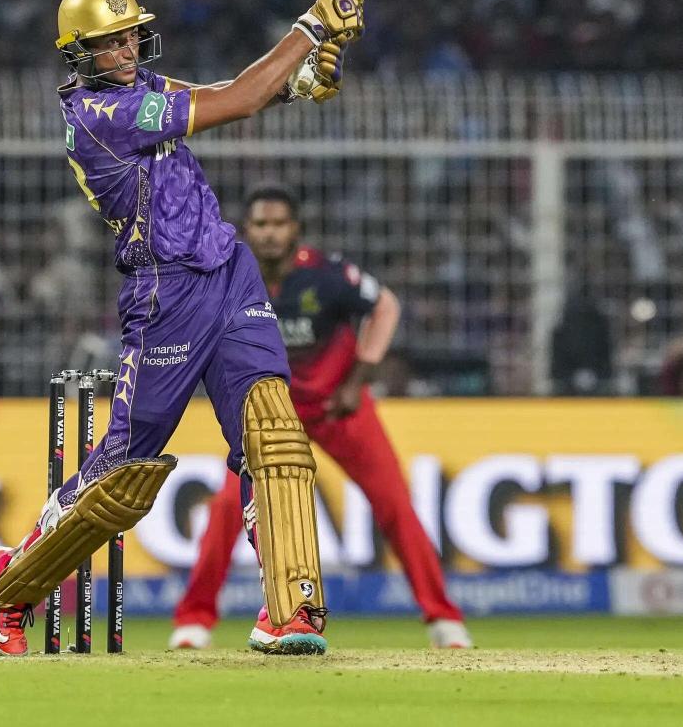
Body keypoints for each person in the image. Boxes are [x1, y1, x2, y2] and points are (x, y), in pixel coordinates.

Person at [0, 0, 361, 657]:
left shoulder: (142, 91)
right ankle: (12, 584)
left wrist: (302, 82)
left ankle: (292, 610)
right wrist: (308, 30)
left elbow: (232, 92)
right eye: (110, 42)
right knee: (124, 475)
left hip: (228, 272)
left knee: (273, 432)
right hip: (165, 296)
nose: (128, 49)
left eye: (131, 35)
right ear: (80, 54)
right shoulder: (100, 115)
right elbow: (240, 100)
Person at [169, 188, 472, 651]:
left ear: (295, 229)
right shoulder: (229, 277)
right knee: (230, 508)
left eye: (279, 224)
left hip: (337, 408)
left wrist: (358, 380)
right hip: (273, 416)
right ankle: (194, 620)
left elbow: (385, 306)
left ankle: (444, 618)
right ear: (246, 229)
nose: (270, 234)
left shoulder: (327, 275)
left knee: (394, 505)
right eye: (261, 224)